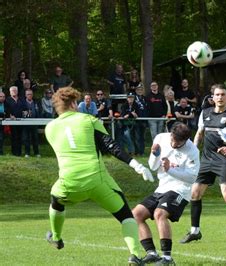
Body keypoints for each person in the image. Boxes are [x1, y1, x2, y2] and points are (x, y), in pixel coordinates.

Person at [44, 87, 153, 265]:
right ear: (73, 103)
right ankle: (134, 255)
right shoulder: (88, 119)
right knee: (126, 216)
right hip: (97, 180)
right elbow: (111, 146)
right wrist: (137, 165)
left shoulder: (50, 128)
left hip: (69, 182)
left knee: (56, 199)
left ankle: (56, 237)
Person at [180, 84, 226, 244]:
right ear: (213, 97)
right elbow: (199, 134)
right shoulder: (205, 113)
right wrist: (192, 152)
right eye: (217, 94)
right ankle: (194, 231)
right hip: (206, 160)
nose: (220, 97)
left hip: (224, 160)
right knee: (195, 193)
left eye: (223, 94)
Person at [132, 122, 200, 265]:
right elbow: (153, 166)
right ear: (170, 134)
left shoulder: (192, 150)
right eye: (173, 140)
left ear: (186, 140)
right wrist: (155, 155)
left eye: (178, 143)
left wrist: (170, 170)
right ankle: (151, 253)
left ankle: (167, 258)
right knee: (136, 214)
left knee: (159, 214)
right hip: (162, 188)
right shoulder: (160, 138)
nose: (174, 144)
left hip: (181, 189)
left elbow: (192, 177)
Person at [22, 89, 42, 158]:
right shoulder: (23, 103)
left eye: (30, 94)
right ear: (25, 95)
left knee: (35, 138)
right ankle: (27, 153)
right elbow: (23, 113)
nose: (29, 95)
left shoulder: (36, 102)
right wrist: (28, 113)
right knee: (26, 138)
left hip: (35, 122)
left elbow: (39, 111)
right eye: (28, 94)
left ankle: (37, 153)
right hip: (26, 123)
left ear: (32, 95)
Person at [5, 86, 24, 156]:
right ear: (10, 92)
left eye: (15, 90)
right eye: (13, 90)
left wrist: (25, 113)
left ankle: (19, 152)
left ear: (17, 91)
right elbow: (6, 110)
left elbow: (24, 108)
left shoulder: (21, 99)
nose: (14, 91)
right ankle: (14, 152)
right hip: (12, 121)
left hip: (21, 121)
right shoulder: (7, 100)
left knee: (20, 137)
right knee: (14, 137)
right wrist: (9, 115)